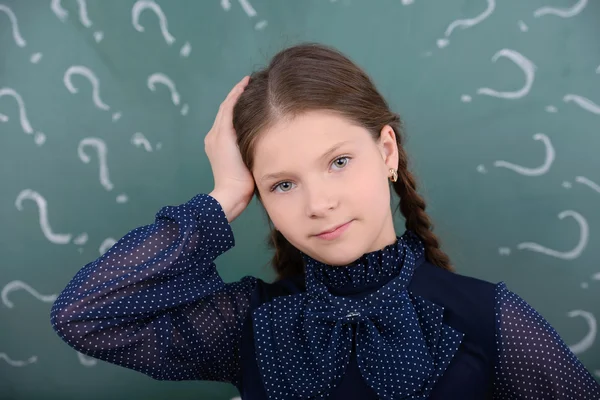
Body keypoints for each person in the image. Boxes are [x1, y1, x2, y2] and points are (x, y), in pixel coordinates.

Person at [50, 43, 600, 400]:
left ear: (387, 152)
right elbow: (84, 316)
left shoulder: (489, 317)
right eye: (282, 184)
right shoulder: (252, 324)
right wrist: (222, 198)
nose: (317, 204)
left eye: (339, 162)